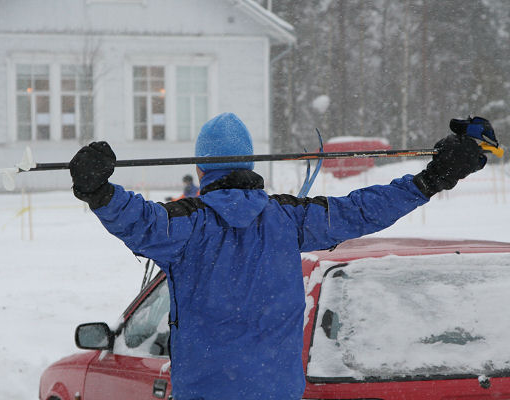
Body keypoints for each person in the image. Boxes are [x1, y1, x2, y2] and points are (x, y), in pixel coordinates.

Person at [68, 112, 487, 400]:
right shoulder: (288, 219)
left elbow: (138, 220)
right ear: (251, 164)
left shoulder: (186, 225)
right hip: (278, 391)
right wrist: (432, 178)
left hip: (206, 390)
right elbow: (362, 210)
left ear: (201, 170)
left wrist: (98, 190)